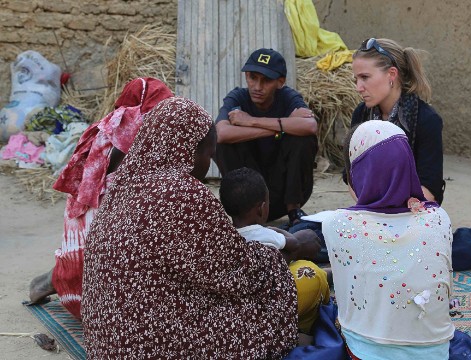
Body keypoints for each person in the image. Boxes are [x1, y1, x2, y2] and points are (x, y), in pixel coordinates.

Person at [82, 97, 300, 359]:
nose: (209, 164)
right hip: (150, 343)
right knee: (271, 294)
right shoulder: (181, 193)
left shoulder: (124, 183)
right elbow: (238, 273)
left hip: (108, 343)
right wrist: (284, 252)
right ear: (188, 151)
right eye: (208, 154)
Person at [348, 37, 471, 272]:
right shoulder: (362, 115)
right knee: (331, 239)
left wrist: (386, 214)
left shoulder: (426, 120)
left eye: (365, 77)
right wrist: (371, 215)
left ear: (391, 74)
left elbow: (429, 192)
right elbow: (351, 174)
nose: (359, 87)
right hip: (373, 215)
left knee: (416, 256)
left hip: (413, 215)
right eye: (356, 79)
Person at [324, 120, 471, 359]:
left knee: (324, 311)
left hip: (364, 353)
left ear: (358, 173)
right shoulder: (438, 218)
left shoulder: (336, 224)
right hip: (435, 353)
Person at [28, 77, 174, 318]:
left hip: (80, 296)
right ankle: (60, 276)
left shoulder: (104, 136)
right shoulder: (137, 133)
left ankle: (58, 276)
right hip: (108, 308)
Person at [219, 167, 330, 334]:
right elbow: (294, 244)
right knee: (308, 270)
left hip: (239, 304)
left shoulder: (225, 236)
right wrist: (277, 231)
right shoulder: (267, 235)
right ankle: (306, 325)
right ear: (262, 208)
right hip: (265, 303)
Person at [215, 48, 318, 226]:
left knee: (303, 138)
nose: (257, 87)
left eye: (266, 81)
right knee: (222, 145)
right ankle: (242, 214)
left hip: (283, 190)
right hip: (248, 195)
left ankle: (294, 210)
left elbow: (310, 126)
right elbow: (221, 134)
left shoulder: (288, 97)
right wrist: (281, 127)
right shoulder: (238, 97)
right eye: (252, 78)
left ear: (280, 82)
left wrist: (251, 121)